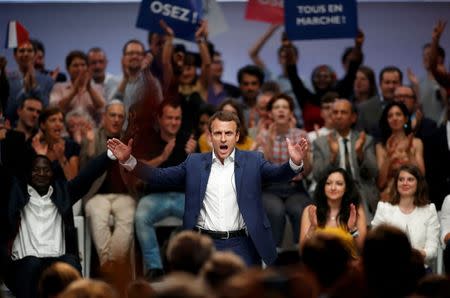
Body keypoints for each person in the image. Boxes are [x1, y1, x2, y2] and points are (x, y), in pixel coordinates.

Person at [107, 110, 308, 266]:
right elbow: (160, 177)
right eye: (218, 133)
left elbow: (277, 175)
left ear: (237, 136)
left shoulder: (253, 160)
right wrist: (130, 161)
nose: (223, 138)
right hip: (205, 245)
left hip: (244, 245)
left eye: (228, 133)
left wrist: (294, 163)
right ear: (209, 136)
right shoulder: (194, 163)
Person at [0, 151, 114, 298]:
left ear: (52, 173)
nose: (41, 173)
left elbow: (87, 176)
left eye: (46, 169)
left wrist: (109, 155)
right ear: (29, 173)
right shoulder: (15, 193)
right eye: (36, 170)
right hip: (24, 265)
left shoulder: (63, 192)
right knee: (32, 263)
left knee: (70, 262)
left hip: (56, 263)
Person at [134, 100, 196, 280]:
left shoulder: (187, 140)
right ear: (159, 119)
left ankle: (187, 267)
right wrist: (162, 157)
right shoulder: (148, 139)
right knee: (141, 217)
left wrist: (193, 157)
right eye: (169, 118)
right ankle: (155, 269)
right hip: (155, 196)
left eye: (177, 118)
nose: (174, 122)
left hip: (183, 196)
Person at [256, 93, 312, 249]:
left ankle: (302, 253)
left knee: (298, 210)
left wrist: (303, 157)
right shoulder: (264, 135)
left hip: (295, 188)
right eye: (276, 107)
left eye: (285, 107)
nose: (281, 111)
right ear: (270, 113)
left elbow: (307, 172)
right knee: (276, 212)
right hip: (270, 189)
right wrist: (270, 142)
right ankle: (273, 257)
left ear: (291, 113)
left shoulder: (301, 135)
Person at [313, 99, 379, 216]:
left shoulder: (365, 140)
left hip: (360, 189)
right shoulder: (320, 143)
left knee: (359, 200)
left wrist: (360, 154)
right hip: (333, 190)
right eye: (335, 112)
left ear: (353, 117)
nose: (339, 116)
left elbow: (373, 173)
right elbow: (318, 176)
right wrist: (332, 157)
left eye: (343, 112)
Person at [371, 164, 440, 266]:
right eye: (401, 179)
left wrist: (416, 254)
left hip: (419, 269)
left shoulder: (429, 210)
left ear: (419, 184)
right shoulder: (384, 208)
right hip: (389, 268)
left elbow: (433, 249)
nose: (405, 183)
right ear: (396, 183)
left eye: (410, 179)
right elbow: (375, 243)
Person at [299, 168, 367, 257]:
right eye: (328, 183)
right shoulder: (311, 211)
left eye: (339, 184)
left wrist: (353, 229)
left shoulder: (355, 211)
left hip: (348, 266)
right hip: (318, 266)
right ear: (323, 186)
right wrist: (312, 228)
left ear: (346, 188)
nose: (333, 188)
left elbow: (363, 249)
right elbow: (302, 251)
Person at [375, 102, 425, 200]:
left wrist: (409, 153)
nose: (394, 118)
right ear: (387, 121)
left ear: (406, 119)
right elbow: (381, 183)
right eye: (390, 116)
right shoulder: (381, 146)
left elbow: (421, 176)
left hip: (413, 195)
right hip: (389, 195)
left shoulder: (416, 142)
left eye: (398, 114)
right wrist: (389, 156)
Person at [49, 50, 105, 124]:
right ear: (68, 69)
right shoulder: (58, 87)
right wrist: (74, 92)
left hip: (91, 132)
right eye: (75, 65)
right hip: (65, 132)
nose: (80, 69)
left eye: (83, 65)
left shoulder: (97, 88)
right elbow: (55, 110)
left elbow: (102, 108)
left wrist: (89, 89)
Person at [33, 107, 80, 181]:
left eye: (61, 121)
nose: (58, 124)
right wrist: (41, 157)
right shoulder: (35, 147)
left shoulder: (72, 146)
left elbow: (73, 181)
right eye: (53, 120)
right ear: (43, 125)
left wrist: (62, 158)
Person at [356, 66, 403, 140]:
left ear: (401, 84)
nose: (391, 86)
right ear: (380, 84)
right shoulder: (363, 108)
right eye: (387, 82)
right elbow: (359, 137)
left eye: (395, 82)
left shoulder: (407, 106)